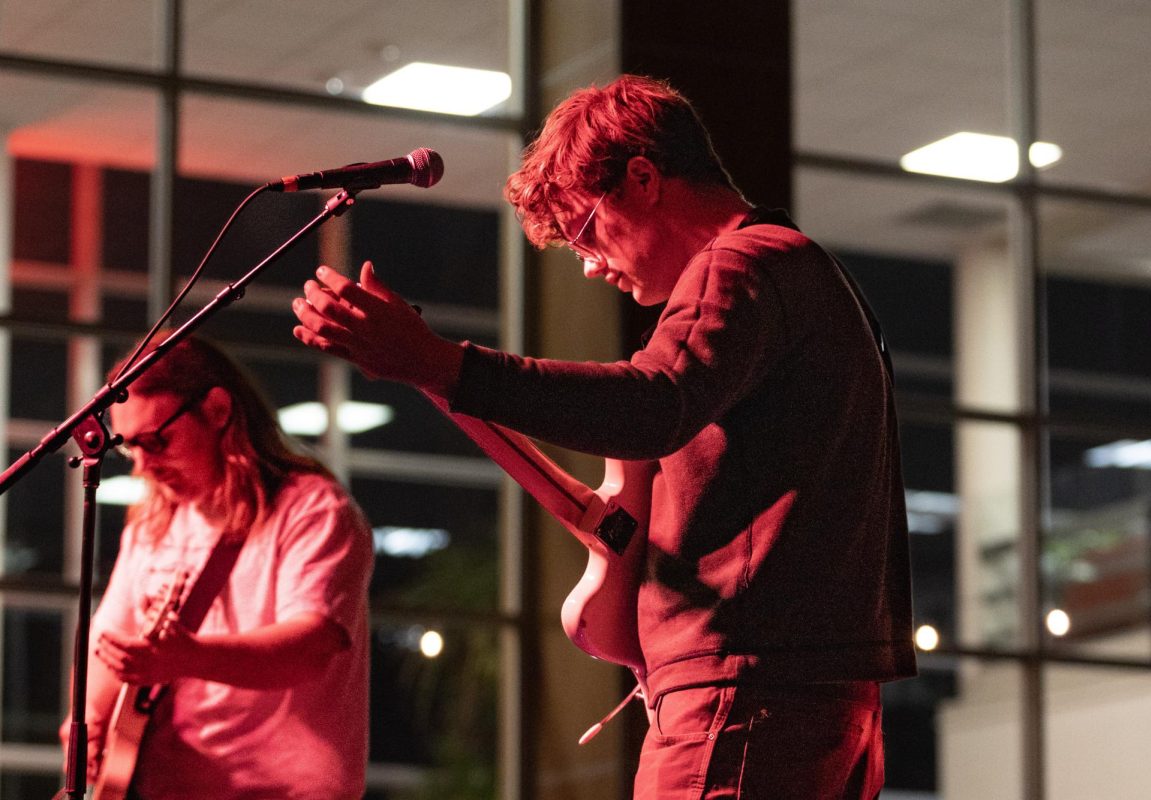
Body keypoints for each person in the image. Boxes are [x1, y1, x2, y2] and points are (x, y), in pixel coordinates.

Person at [292, 74, 915, 798]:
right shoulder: (802, 275)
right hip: (806, 696)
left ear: (644, 177)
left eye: (585, 230)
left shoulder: (741, 265)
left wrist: (439, 362)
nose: (589, 265)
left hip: (745, 693)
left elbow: (653, 406)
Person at [61, 333, 373, 799]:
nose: (142, 467)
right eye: (130, 448)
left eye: (158, 441)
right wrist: (88, 722)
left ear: (217, 411)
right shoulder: (154, 520)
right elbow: (109, 643)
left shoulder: (313, 510)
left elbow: (310, 647)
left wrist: (188, 656)